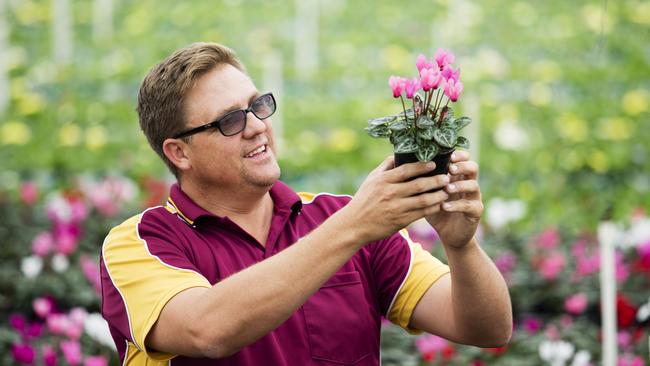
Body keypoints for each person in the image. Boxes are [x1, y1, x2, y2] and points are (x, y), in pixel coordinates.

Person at [100, 42, 512, 365]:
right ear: (179, 153)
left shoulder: (338, 217)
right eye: (230, 120)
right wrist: (353, 227)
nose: (258, 126)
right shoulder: (141, 243)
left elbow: (487, 328)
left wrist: (461, 246)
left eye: (257, 106)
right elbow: (207, 331)